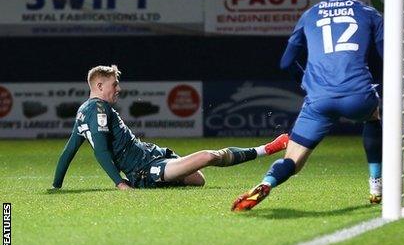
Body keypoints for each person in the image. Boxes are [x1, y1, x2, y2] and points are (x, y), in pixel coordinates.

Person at [231, 0, 385, 211]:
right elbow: (386, 55)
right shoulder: (369, 13)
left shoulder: (310, 14)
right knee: (373, 116)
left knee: (294, 159)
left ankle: (267, 182)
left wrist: (306, 82)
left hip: (319, 98)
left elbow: (286, 62)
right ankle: (375, 182)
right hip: (357, 95)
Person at [52, 65, 289, 190]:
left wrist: (56, 184)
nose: (119, 89)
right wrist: (120, 183)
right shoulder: (98, 109)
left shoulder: (84, 111)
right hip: (144, 169)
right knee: (208, 155)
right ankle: (266, 149)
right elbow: (101, 152)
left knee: (198, 180)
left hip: (152, 156)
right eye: (115, 84)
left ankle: (165, 175)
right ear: (100, 85)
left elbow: (68, 151)